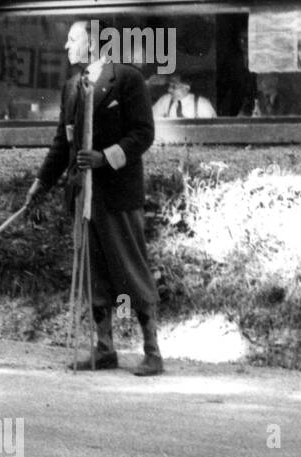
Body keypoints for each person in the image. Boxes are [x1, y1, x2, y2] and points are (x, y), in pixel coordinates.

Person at [27, 20, 164, 376]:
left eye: (73, 39)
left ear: (94, 42)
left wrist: (106, 157)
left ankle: (152, 350)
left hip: (117, 195)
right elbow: (63, 143)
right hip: (83, 198)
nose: (66, 46)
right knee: (93, 275)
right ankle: (104, 349)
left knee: (131, 268)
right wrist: (41, 183)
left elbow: (143, 134)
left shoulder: (128, 79)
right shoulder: (72, 87)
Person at [153, 74, 218, 116]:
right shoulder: (165, 100)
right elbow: (151, 119)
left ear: (186, 88)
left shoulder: (202, 104)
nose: (169, 90)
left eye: (174, 87)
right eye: (169, 86)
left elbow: (212, 129)